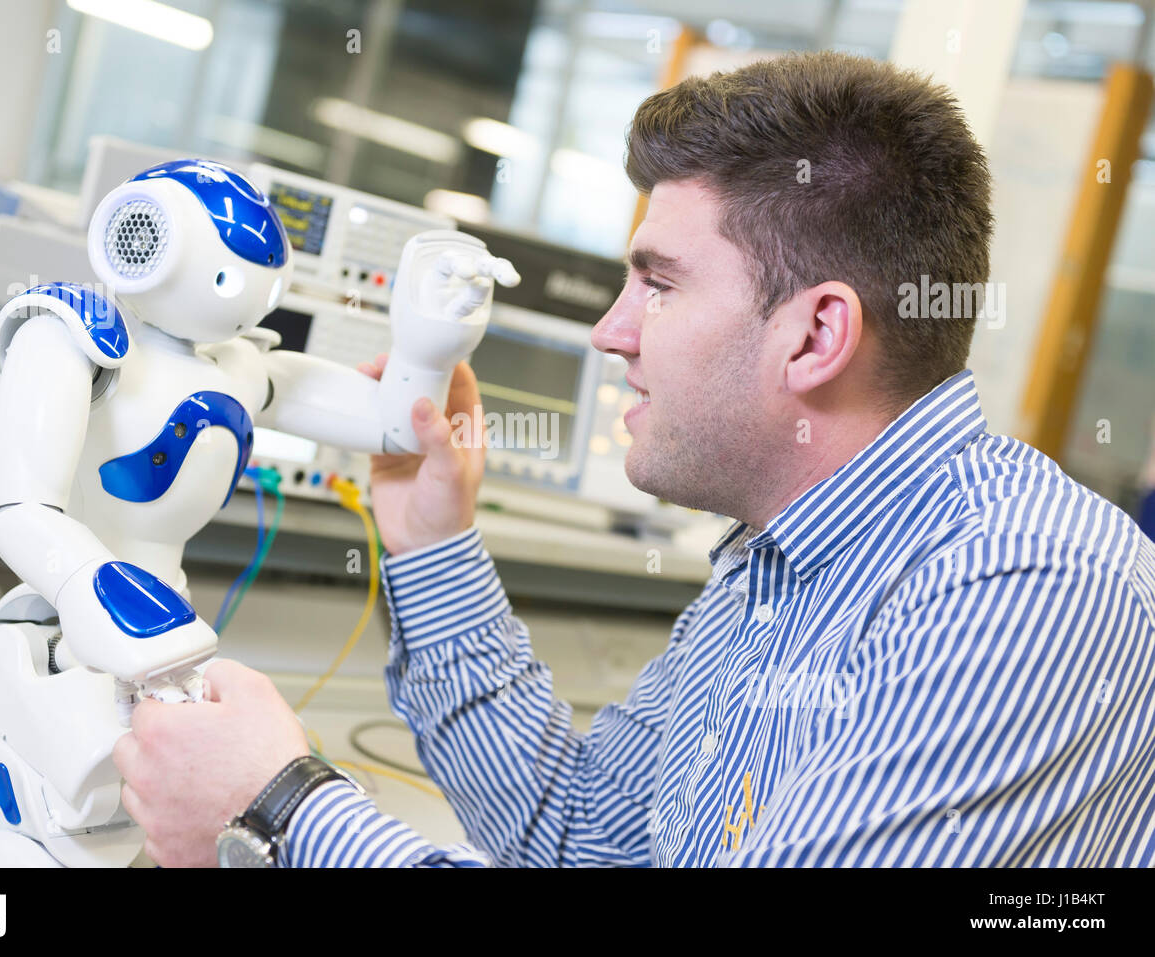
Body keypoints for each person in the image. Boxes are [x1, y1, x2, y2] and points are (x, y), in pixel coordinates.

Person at [113, 50, 1155, 867]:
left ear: (814, 336)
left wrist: (284, 805)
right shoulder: (779, 561)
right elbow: (577, 840)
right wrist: (433, 537)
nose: (609, 333)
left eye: (657, 285)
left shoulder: (1026, 583)